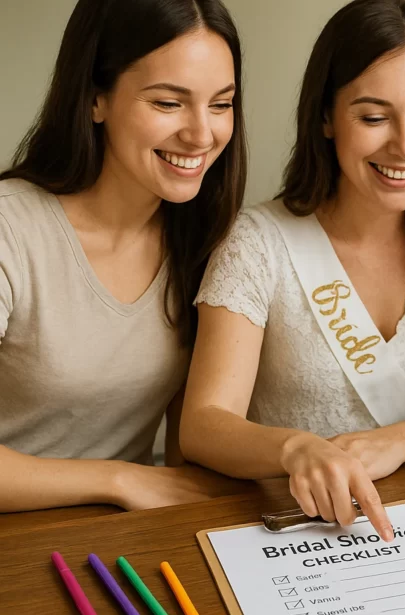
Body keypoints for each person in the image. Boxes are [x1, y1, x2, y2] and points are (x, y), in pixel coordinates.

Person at [180, 0, 405, 539]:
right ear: (325, 117)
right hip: (293, 528)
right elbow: (203, 423)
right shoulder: (256, 243)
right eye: (373, 117)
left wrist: (402, 441)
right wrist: (295, 448)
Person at [0, 0, 248, 513]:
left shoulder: (204, 237)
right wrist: (116, 480)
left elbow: (192, 442)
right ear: (96, 99)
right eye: (167, 103)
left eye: (221, 104)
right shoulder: (10, 229)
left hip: (121, 537)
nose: (201, 134)